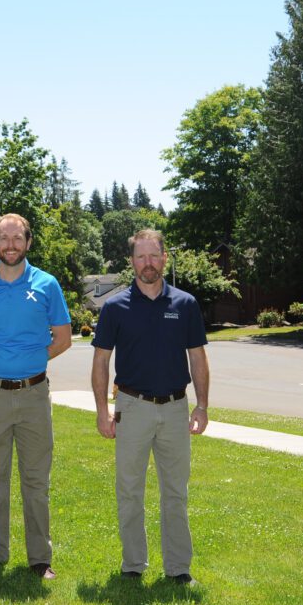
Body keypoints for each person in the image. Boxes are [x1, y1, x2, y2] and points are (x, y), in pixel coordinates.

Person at [91, 228, 209, 585]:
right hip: (132, 406)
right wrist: (101, 410)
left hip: (175, 409)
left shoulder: (185, 304)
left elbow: (198, 360)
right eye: (141, 257)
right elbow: (100, 363)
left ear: (164, 258)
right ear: (131, 262)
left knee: (175, 492)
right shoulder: (114, 308)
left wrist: (202, 405)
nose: (148, 264)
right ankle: (133, 566)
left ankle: (178, 568)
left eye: (154, 256)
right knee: (129, 490)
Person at [0, 213, 71, 579]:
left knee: (36, 481)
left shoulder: (47, 284)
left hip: (35, 395)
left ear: (28, 242)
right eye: (4, 239)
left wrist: (31, 361)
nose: (10, 245)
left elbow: (63, 338)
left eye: (17, 238)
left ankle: (40, 559)